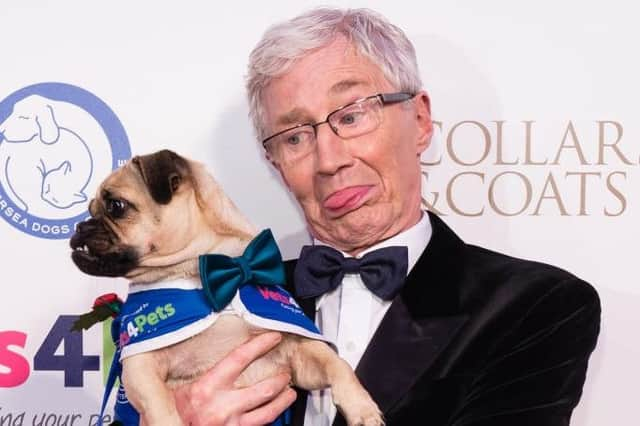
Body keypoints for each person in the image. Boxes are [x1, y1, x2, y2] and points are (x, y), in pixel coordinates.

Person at [174, 7, 601, 426]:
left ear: (419, 119)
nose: (329, 159)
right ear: (275, 163)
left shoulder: (537, 305)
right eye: (295, 136)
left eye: (351, 115)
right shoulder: (224, 299)